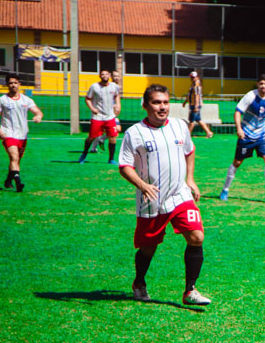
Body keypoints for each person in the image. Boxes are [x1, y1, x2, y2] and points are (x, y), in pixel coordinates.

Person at [118, 84, 211, 306]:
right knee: (148, 247)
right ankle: (139, 283)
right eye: (156, 102)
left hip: (180, 194)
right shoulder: (134, 133)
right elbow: (125, 166)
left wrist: (190, 179)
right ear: (145, 105)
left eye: (166, 102)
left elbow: (189, 150)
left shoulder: (180, 126)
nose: (162, 107)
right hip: (152, 200)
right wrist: (142, 185)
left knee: (196, 237)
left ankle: (190, 291)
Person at [220, 74, 265, 202]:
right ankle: (225, 190)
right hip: (247, 134)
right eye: (261, 83)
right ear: (257, 84)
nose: (263, 86)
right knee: (237, 162)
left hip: (262, 135)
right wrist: (239, 128)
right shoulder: (250, 96)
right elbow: (237, 112)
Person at [0, 73, 43, 192]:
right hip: (8, 133)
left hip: (22, 135)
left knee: (16, 160)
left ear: (19, 84)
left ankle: (8, 180)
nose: (13, 85)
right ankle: (18, 183)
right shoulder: (2, 100)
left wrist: (38, 116)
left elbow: (38, 112)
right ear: (7, 85)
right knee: (14, 156)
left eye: (15, 83)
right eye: (10, 83)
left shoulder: (26, 100)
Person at [79, 69, 121, 164]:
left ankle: (111, 159)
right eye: (102, 74)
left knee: (113, 138)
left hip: (110, 117)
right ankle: (84, 154)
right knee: (91, 137)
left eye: (106, 74)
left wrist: (118, 104)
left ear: (109, 75)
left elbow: (116, 95)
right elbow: (88, 99)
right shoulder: (94, 87)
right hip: (97, 117)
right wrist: (92, 109)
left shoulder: (114, 86)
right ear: (100, 76)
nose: (105, 76)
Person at [88, 69, 124, 154]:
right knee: (99, 131)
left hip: (111, 113)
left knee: (118, 129)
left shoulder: (116, 87)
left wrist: (118, 106)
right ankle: (94, 147)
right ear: (111, 76)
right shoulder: (104, 86)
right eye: (114, 76)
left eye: (118, 76)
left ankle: (101, 140)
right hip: (101, 113)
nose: (116, 78)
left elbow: (116, 98)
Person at [182, 71, 213, 139]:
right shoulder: (193, 84)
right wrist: (185, 102)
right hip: (193, 104)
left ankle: (187, 135)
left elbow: (197, 96)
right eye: (191, 77)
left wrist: (196, 106)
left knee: (191, 121)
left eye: (193, 77)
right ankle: (209, 132)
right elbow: (190, 95)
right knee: (198, 120)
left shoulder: (197, 85)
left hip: (195, 105)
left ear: (197, 77)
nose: (192, 78)